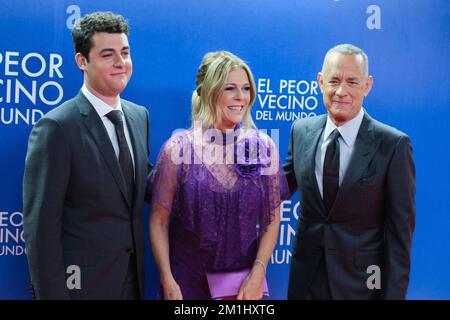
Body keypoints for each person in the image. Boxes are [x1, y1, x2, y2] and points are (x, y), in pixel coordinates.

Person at [23, 11, 150, 299]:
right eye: (108, 55)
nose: (121, 63)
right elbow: (41, 232)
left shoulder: (139, 116)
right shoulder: (56, 127)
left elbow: (139, 181)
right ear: (82, 61)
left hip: (133, 283)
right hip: (80, 287)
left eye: (125, 53)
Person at [149, 51, 288, 300]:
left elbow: (272, 219)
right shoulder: (178, 148)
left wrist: (257, 273)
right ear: (210, 92)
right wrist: (167, 280)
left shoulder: (264, 147)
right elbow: (159, 221)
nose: (241, 97)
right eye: (230, 89)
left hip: (243, 286)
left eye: (246, 88)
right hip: (186, 284)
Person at [285, 44, 416, 300]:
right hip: (306, 281)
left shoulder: (393, 145)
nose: (341, 91)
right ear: (320, 82)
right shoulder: (300, 131)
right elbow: (275, 190)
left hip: (363, 286)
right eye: (334, 80)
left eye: (352, 82)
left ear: (367, 86)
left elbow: (400, 236)